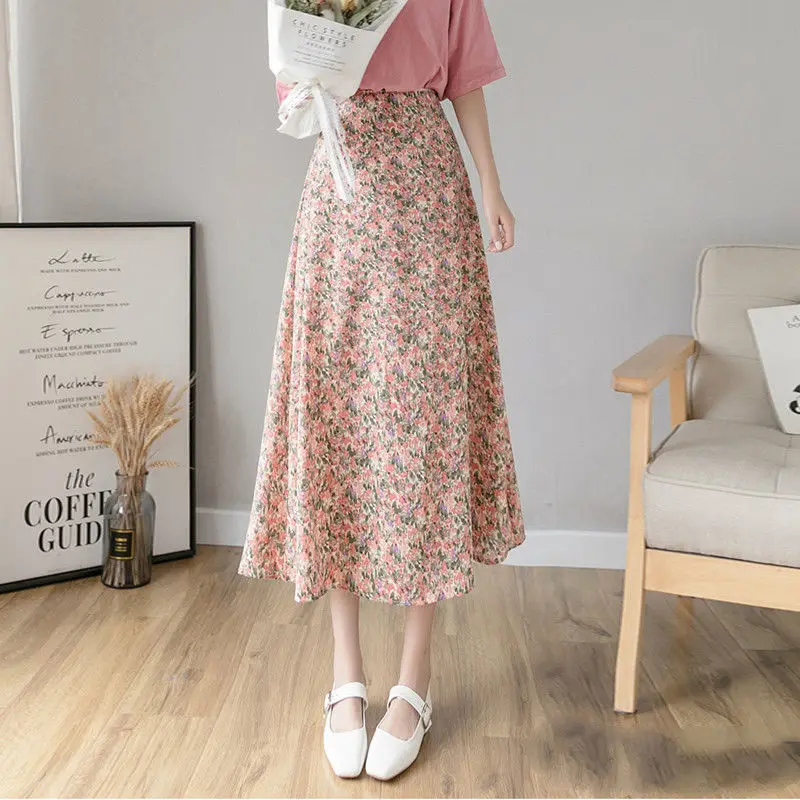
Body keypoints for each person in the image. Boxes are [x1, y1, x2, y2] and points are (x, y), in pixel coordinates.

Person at [238, 0, 526, 781]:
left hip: (427, 189)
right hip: (342, 185)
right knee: (338, 421)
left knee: (424, 427)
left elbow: (465, 76)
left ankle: (414, 677)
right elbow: (292, 83)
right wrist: (304, 84)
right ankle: (347, 675)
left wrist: (491, 184)